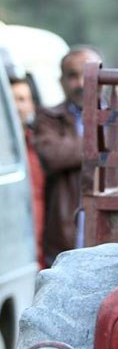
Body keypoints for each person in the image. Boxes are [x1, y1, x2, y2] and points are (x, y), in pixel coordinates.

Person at [34, 46, 102, 267]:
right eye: (73, 75)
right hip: (65, 239)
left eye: (88, 74)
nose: (81, 83)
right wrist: (105, 141)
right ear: (61, 81)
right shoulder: (49, 118)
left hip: (111, 235)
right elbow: (53, 156)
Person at [9, 72, 46, 268]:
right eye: (12, 99)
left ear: (32, 105)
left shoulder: (40, 143)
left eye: (22, 99)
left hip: (40, 240)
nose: (17, 106)